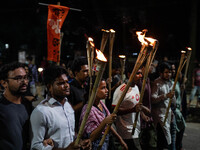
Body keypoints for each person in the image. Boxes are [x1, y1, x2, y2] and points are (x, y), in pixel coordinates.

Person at [30, 65, 91, 150]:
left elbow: (70, 133)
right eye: (61, 83)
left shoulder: (67, 106)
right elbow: (36, 146)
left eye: (67, 82)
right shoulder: (41, 111)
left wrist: (80, 141)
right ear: (49, 87)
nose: (66, 86)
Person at [79, 77, 128, 150]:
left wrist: (120, 139)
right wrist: (104, 122)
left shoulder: (101, 103)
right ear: (93, 90)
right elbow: (91, 137)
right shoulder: (88, 110)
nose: (107, 90)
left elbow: (109, 124)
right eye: (103, 88)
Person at [112, 64, 150, 150]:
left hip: (136, 128)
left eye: (141, 73)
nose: (140, 76)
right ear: (129, 74)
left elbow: (136, 105)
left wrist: (142, 114)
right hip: (126, 130)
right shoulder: (121, 90)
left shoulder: (136, 87)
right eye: (137, 73)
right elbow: (114, 110)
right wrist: (132, 110)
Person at [0, 62, 29, 150]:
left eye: (25, 77)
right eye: (18, 78)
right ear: (4, 83)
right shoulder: (2, 107)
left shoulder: (27, 104)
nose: (24, 82)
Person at [151, 62, 175, 149]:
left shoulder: (170, 83)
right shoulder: (157, 83)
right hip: (160, 116)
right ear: (161, 73)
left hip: (168, 114)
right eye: (166, 72)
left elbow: (170, 100)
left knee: (168, 139)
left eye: (169, 72)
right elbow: (153, 99)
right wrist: (165, 96)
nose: (168, 74)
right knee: (162, 140)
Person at [69, 57, 89, 132]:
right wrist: (85, 102)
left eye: (88, 71)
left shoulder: (87, 86)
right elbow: (70, 111)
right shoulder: (70, 88)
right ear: (76, 73)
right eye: (85, 71)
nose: (88, 74)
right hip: (76, 128)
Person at [171, 64, 186, 150]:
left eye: (174, 69)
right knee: (176, 129)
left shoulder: (176, 81)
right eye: (171, 69)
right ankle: (177, 146)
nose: (173, 71)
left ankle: (178, 145)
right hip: (173, 110)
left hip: (177, 108)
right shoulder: (170, 82)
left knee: (180, 127)